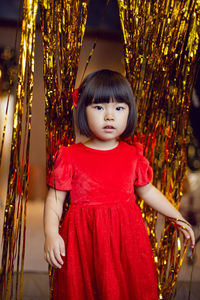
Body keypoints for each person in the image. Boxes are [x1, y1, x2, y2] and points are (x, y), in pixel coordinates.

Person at [44, 69, 195, 300]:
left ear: (129, 112)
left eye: (119, 108)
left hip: (126, 237)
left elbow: (147, 191)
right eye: (99, 107)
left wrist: (178, 217)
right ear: (82, 110)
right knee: (84, 288)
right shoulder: (69, 156)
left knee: (127, 287)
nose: (109, 116)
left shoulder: (132, 154)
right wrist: (51, 233)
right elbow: (55, 200)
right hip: (84, 240)